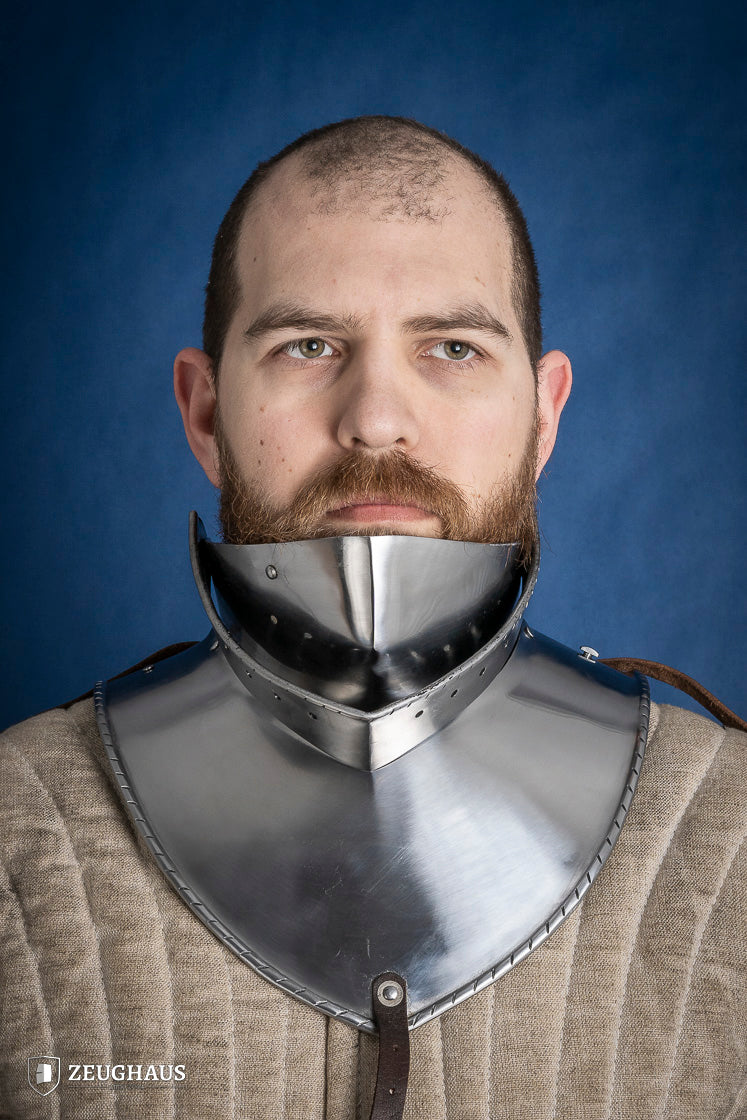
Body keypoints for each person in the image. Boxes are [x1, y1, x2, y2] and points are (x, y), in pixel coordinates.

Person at [1, 116, 745, 1120]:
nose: (376, 417)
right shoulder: (18, 835)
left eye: (451, 346)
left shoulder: (732, 835)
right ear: (206, 413)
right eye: (310, 345)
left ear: (544, 415)